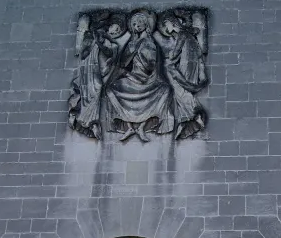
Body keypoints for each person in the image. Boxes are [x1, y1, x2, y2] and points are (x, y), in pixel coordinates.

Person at [102, 10, 175, 141]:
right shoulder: (131, 43)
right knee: (110, 90)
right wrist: (130, 54)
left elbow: (151, 66)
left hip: (148, 79)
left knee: (165, 90)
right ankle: (129, 126)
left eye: (140, 22)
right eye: (134, 23)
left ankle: (142, 126)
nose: (137, 25)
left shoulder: (150, 42)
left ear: (146, 24)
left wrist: (141, 52)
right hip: (132, 77)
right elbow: (123, 63)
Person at [69, 15, 127, 139]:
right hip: (88, 67)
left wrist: (99, 43)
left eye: (117, 31)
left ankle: (83, 118)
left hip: (98, 70)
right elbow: (83, 52)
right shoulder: (94, 35)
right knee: (92, 89)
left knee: (97, 88)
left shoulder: (111, 43)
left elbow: (109, 52)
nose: (115, 31)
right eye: (115, 27)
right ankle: (88, 120)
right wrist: (94, 41)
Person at [158, 10, 209, 139]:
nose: (166, 28)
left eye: (166, 24)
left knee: (179, 90)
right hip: (193, 65)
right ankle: (186, 120)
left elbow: (175, 53)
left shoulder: (182, 34)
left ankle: (195, 114)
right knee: (181, 91)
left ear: (171, 22)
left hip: (186, 65)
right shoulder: (189, 34)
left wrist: (170, 55)